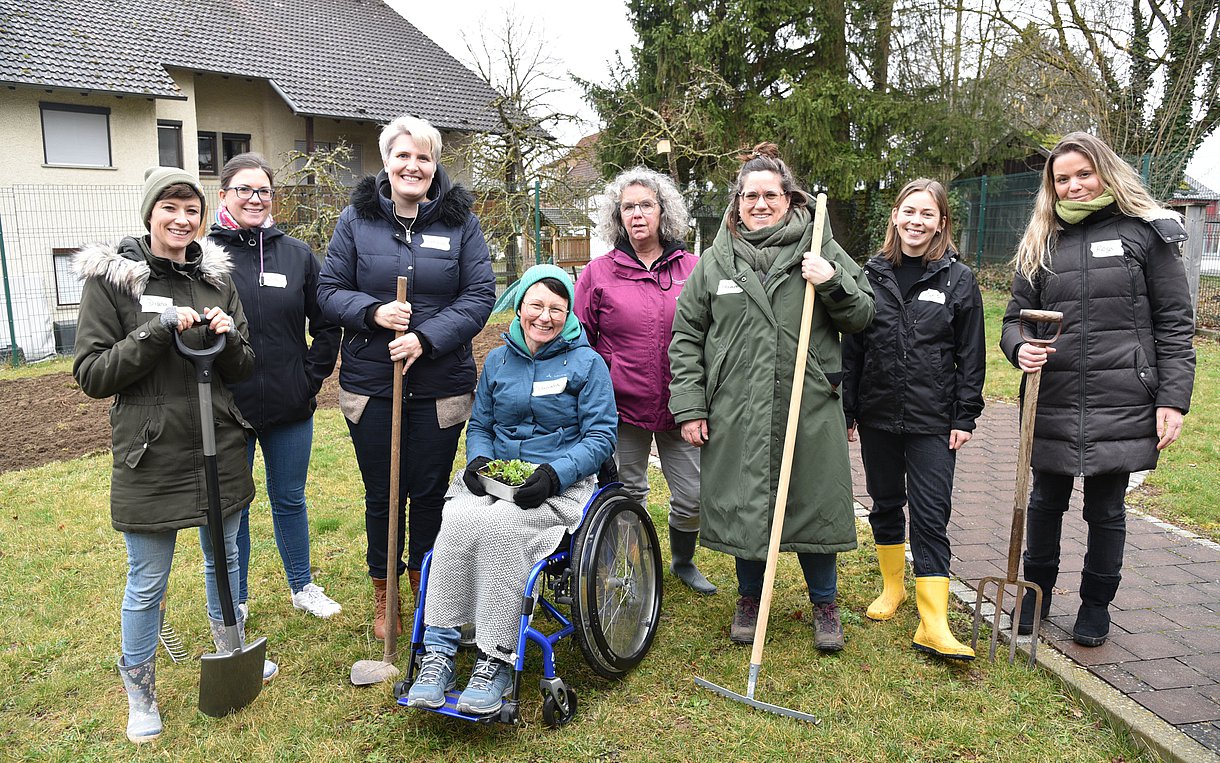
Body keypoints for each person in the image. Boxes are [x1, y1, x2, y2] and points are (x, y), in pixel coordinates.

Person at [73, 167, 273, 744]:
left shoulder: (215, 280)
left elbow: (244, 366)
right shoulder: (114, 282)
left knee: (227, 559)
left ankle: (231, 650)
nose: (182, 220)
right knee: (147, 580)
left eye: (192, 210)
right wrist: (155, 330)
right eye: (170, 208)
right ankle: (140, 691)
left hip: (220, 441)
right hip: (151, 449)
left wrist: (231, 335)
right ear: (149, 212)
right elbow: (91, 374)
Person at [668, 143, 875, 651]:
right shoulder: (716, 262)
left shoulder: (818, 246)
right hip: (737, 406)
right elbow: (687, 335)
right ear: (737, 202)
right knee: (748, 499)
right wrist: (691, 406)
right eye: (750, 196)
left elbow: (863, 314)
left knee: (814, 501)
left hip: (807, 403)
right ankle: (750, 597)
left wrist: (832, 283)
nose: (759, 204)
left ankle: (824, 604)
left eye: (770, 195)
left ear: (789, 198)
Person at [1001, 132, 1195, 647]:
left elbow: (1175, 322)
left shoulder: (1145, 234)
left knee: (1105, 510)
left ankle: (1095, 606)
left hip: (1122, 397)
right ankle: (1033, 595)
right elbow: (1012, 321)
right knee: (1045, 502)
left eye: (1083, 174)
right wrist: (1019, 347)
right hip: (1053, 396)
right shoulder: (1041, 240)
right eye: (1062, 179)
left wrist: (1172, 398)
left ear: (1106, 172)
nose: (1074, 186)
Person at [404, 265, 617, 715]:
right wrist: (479, 460)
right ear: (519, 307)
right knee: (458, 518)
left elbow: (600, 437)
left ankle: (495, 658)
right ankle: (439, 652)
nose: (545, 316)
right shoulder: (499, 360)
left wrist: (555, 474)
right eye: (536, 305)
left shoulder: (587, 363)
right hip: (497, 478)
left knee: (502, 527)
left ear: (569, 313)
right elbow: (480, 423)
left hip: (558, 483)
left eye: (556, 309)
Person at [318, 116, 496, 641]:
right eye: (403, 156)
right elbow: (329, 289)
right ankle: (384, 594)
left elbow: (479, 295)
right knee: (382, 493)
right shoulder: (356, 219)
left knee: (429, 490)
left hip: (440, 386)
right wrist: (373, 313)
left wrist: (425, 337)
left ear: (435, 164)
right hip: (372, 386)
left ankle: (426, 587)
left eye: (424, 157)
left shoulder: (460, 222)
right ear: (386, 162)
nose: (413, 166)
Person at [842, 178, 985, 661]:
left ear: (941, 222)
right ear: (895, 217)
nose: (917, 221)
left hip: (932, 420)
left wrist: (964, 414)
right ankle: (892, 588)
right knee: (884, 502)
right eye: (909, 211)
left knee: (930, 513)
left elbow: (971, 354)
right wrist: (848, 410)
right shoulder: (872, 274)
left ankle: (934, 620)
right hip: (878, 413)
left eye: (927, 214)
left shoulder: (957, 279)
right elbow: (854, 348)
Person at [207, 152, 342, 619]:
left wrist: (309, 378)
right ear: (223, 194)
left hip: (289, 402)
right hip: (228, 406)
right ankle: (237, 599)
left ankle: (302, 585)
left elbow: (326, 325)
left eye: (263, 190)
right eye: (243, 189)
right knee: (234, 506)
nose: (254, 198)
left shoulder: (297, 254)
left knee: (290, 498)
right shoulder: (205, 257)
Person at [574, 167, 714, 595]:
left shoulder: (693, 268)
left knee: (692, 497)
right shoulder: (599, 273)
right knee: (628, 493)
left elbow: (711, 334)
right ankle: (627, 569)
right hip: (621, 408)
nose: (637, 214)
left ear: (663, 212)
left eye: (646, 205)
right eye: (628, 207)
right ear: (617, 217)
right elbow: (581, 340)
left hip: (681, 407)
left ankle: (682, 561)